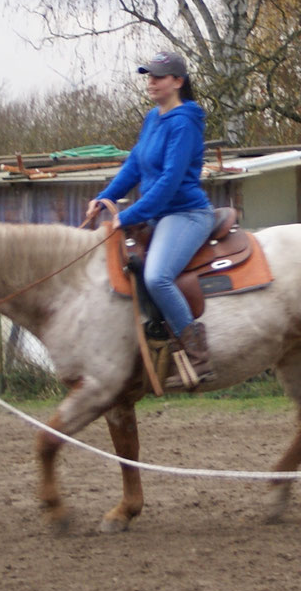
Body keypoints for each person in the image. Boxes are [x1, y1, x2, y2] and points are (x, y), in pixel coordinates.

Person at [86, 51, 216, 382]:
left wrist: (130, 215)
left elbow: (170, 182)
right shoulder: (152, 117)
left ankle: (197, 353)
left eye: (158, 77)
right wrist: (105, 198)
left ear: (178, 82)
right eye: (149, 76)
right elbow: (134, 166)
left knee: (156, 276)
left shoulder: (185, 121)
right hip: (159, 214)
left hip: (185, 213)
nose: (151, 82)